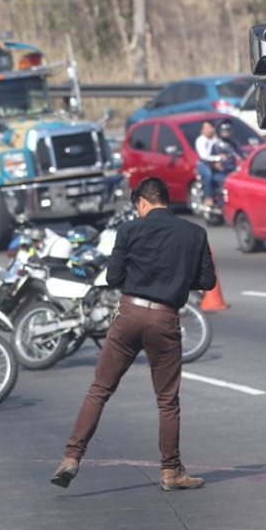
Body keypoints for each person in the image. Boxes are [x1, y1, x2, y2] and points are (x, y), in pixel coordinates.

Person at [51, 176, 216, 491]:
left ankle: (71, 457)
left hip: (128, 314)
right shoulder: (195, 233)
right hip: (165, 319)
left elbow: (114, 276)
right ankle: (171, 471)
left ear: (142, 202)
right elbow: (206, 281)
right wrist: (176, 279)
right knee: (167, 400)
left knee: (99, 390)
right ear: (164, 199)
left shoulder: (128, 230)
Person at [194, 120, 221, 207]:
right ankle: (207, 198)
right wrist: (218, 158)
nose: (208, 130)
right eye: (205, 128)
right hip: (204, 164)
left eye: (209, 127)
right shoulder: (200, 140)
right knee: (208, 174)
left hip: (216, 163)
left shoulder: (216, 139)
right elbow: (204, 156)